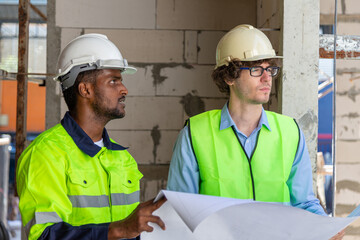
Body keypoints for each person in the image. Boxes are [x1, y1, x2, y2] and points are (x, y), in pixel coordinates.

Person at [167, 24, 344, 239]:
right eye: (256, 69)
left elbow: (304, 203)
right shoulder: (195, 134)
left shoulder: (290, 132)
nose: (267, 78)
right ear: (228, 77)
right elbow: (179, 212)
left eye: (270, 69)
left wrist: (324, 227)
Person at [16, 34, 166, 240]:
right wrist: (119, 229)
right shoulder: (46, 154)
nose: (124, 89)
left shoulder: (122, 159)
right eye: (113, 81)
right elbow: (43, 235)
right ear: (85, 89)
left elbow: (132, 231)